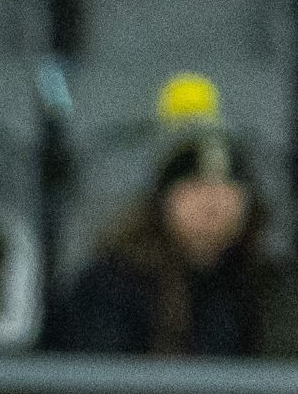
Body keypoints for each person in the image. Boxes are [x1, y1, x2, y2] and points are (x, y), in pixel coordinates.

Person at [53, 128, 298, 364]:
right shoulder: (112, 283)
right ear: (163, 200)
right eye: (194, 187)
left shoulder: (262, 284)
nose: (211, 203)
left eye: (227, 189)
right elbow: (99, 377)